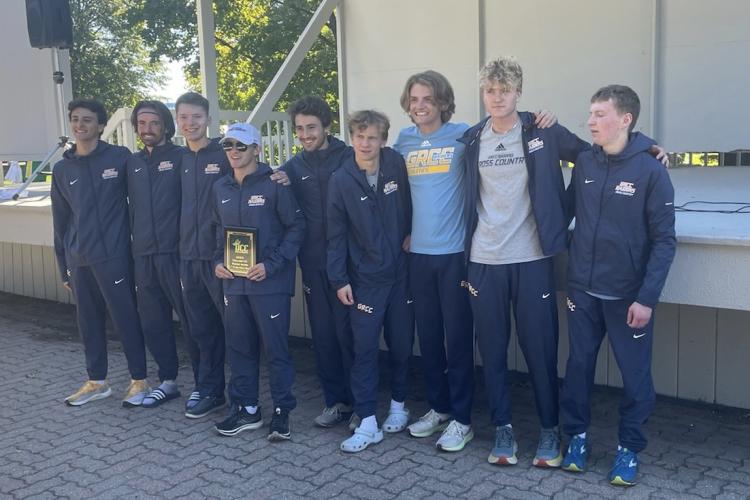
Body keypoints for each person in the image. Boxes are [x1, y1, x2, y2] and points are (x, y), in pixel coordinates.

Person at [394, 71, 556, 452]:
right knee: (429, 339)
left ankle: (463, 419)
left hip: (457, 255)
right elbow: (381, 179)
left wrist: (536, 117)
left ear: (443, 102)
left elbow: (509, 128)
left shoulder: (464, 136)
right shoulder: (402, 142)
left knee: (459, 340)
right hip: (418, 255)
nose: (421, 106)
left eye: (428, 99)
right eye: (415, 99)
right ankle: (440, 408)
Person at [460, 57, 592, 467]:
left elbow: (592, 157)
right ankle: (503, 429)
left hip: (533, 257)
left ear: (519, 92)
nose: (497, 97)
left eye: (505, 90)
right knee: (494, 350)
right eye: (490, 90)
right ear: (483, 94)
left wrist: (562, 212)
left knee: (540, 350)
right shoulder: (471, 139)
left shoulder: (543, 130)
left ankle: (550, 432)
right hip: (484, 259)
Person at [560, 85, 676, 486]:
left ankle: (628, 448)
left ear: (625, 119)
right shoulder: (585, 164)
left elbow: (664, 241)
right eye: (590, 113)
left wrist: (646, 298)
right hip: (583, 292)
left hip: (629, 299)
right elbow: (563, 213)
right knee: (577, 368)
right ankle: (576, 438)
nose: (590, 121)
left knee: (635, 377)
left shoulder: (651, 170)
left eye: (599, 114)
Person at [51, 99, 149, 407]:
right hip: (79, 260)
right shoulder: (62, 169)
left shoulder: (120, 158)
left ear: (101, 125)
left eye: (88, 120)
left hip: (115, 257)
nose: (81, 125)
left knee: (125, 319)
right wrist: (63, 265)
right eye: (76, 120)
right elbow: (60, 222)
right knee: (88, 322)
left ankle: (139, 380)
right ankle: (96, 381)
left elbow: (148, 192)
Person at [327, 110, 414, 452]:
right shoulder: (341, 179)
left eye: (373, 137)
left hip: (401, 274)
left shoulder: (395, 164)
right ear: (352, 138)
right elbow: (334, 235)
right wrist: (339, 279)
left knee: (402, 344)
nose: (366, 143)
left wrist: (411, 232)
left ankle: (398, 405)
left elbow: (411, 203)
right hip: (364, 280)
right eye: (360, 136)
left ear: (383, 140)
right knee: (364, 351)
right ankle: (366, 422)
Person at [213, 123, 305, 441]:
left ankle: (282, 412)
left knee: (276, 350)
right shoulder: (221, 188)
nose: (234, 153)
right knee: (240, 348)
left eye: (241, 146)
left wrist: (272, 265)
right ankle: (248, 409)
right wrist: (217, 263)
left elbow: (296, 228)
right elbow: (215, 233)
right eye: (228, 146)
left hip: (269, 283)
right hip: (234, 285)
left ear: (257, 149)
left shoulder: (275, 184)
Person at [280, 97, 356, 429]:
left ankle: (361, 405)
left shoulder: (350, 157)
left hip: (350, 266)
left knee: (351, 335)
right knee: (324, 337)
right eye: (299, 129)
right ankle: (335, 401)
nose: (306, 134)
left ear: (326, 126)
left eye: (311, 127)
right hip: (312, 264)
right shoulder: (292, 168)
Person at [127, 100, 199, 408]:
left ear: (166, 125)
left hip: (176, 254)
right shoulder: (131, 163)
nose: (147, 129)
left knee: (192, 320)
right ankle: (168, 381)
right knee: (153, 322)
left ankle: (203, 383)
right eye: (142, 124)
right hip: (143, 255)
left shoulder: (183, 157)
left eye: (153, 122)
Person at [176, 92, 231, 418]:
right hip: (187, 259)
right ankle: (209, 389)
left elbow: (255, 175)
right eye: (184, 117)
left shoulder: (225, 153)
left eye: (196, 117)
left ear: (208, 119)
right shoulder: (178, 159)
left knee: (234, 329)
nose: (190, 123)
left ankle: (242, 393)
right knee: (200, 330)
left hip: (220, 260)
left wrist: (278, 175)